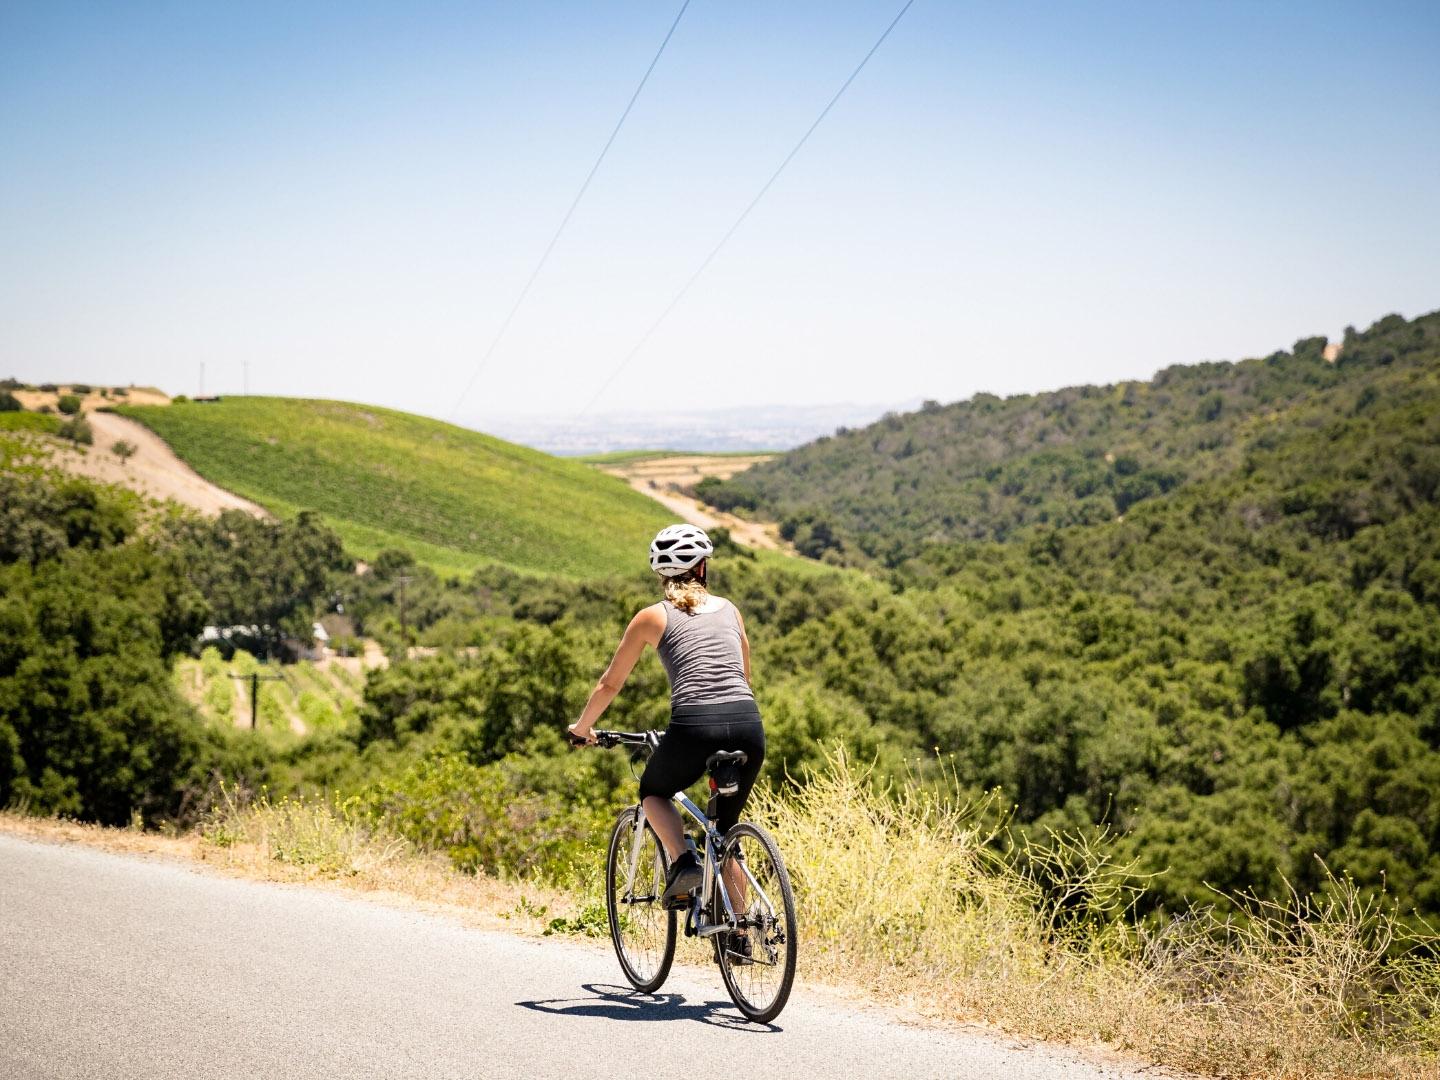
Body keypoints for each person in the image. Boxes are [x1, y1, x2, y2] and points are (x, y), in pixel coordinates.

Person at [568, 524, 764, 911]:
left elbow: (610, 684)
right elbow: (745, 675)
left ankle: (683, 861)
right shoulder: (730, 609)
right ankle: (741, 930)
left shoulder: (651, 617)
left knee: (653, 792)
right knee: (725, 834)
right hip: (747, 722)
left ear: (661, 574)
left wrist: (582, 728)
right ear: (702, 568)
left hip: (694, 726)